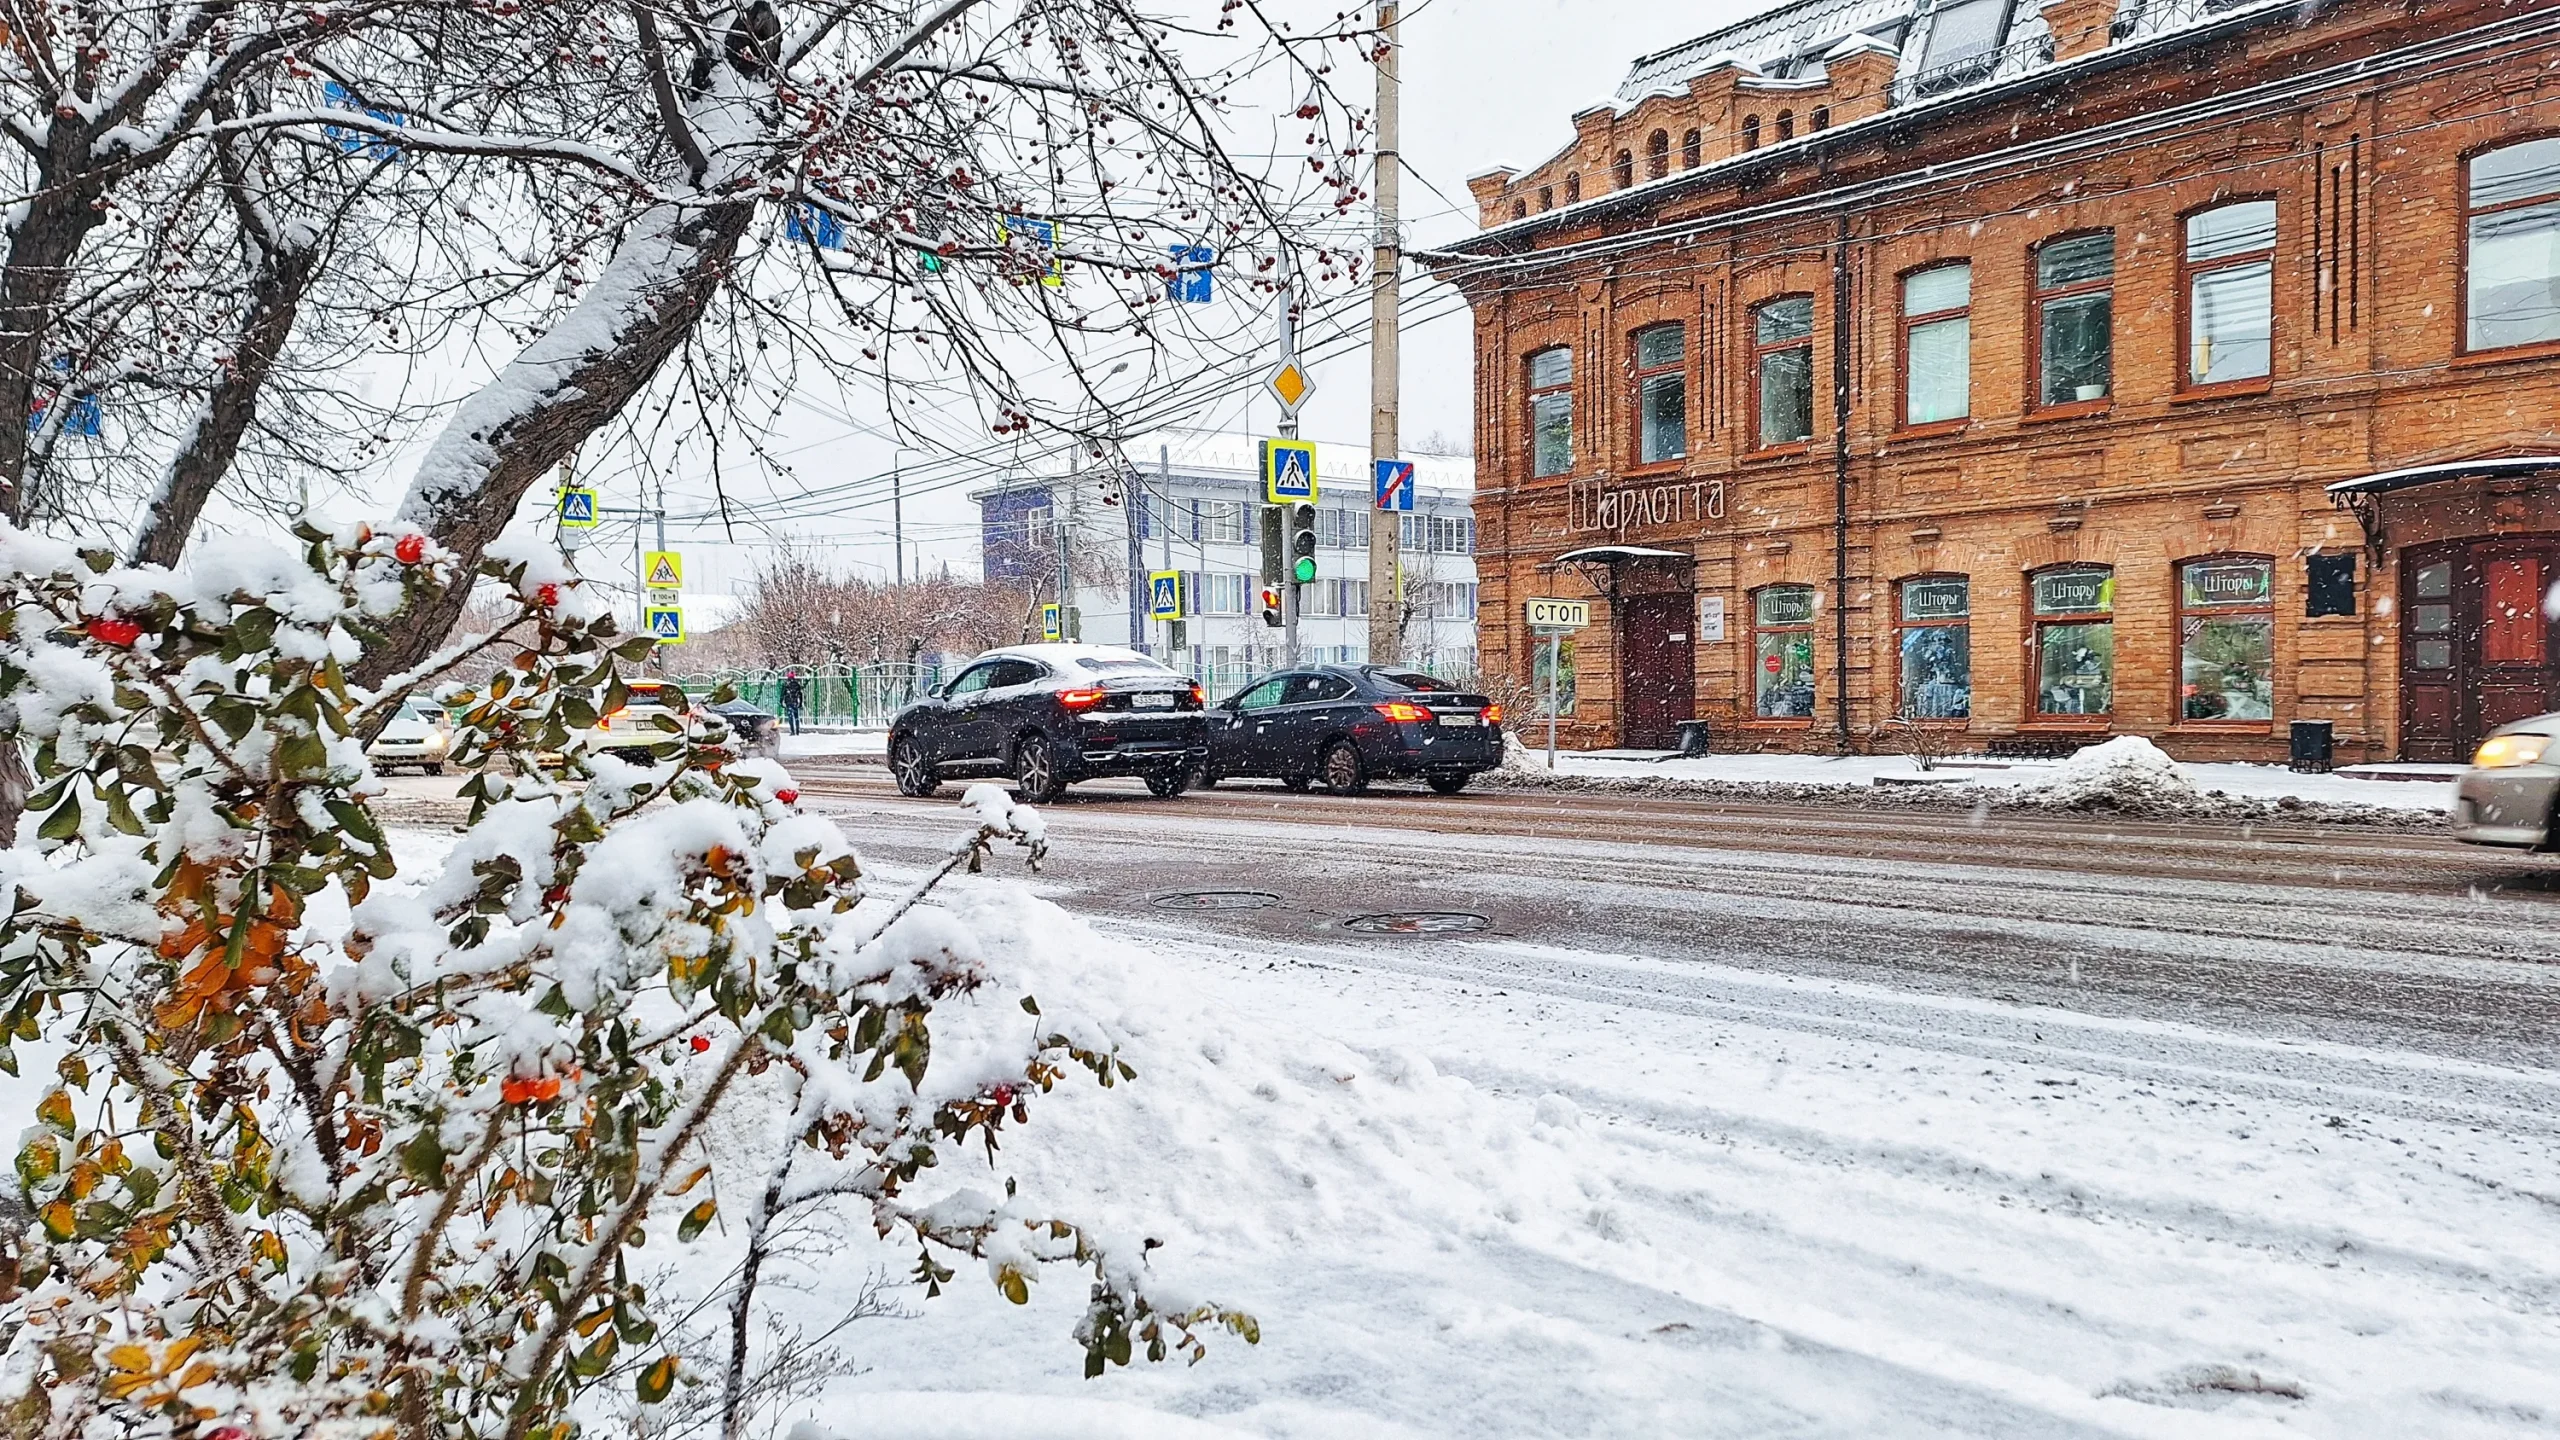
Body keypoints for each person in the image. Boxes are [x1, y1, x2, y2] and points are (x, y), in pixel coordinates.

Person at [779, 669, 806, 736]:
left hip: (788, 702)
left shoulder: (786, 684)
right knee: (796, 717)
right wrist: (800, 702)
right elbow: (800, 694)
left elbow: (782, 694)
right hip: (795, 702)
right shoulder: (797, 684)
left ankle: (792, 731)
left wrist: (781, 701)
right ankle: (797, 731)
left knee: (790, 717)